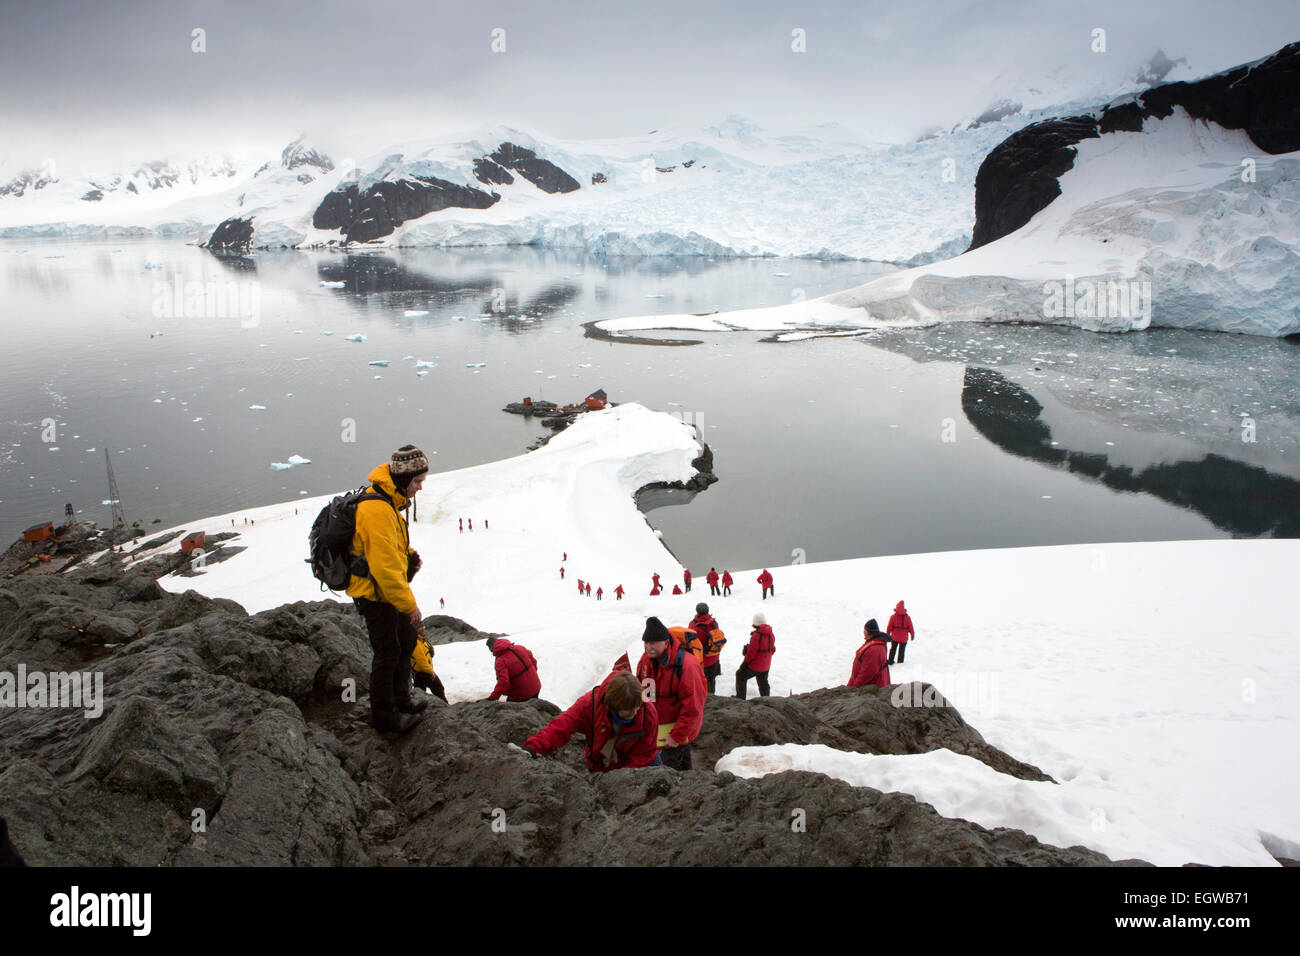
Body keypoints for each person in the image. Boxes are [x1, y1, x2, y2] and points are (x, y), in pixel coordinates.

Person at [348, 444, 431, 733]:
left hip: (385, 592)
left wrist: (407, 553)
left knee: (405, 643)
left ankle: (402, 700)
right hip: (374, 595)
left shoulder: (388, 500)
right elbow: (384, 570)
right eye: (417, 481)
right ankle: (386, 718)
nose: (420, 488)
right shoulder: (377, 509)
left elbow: (390, 548)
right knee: (388, 652)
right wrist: (410, 607)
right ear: (403, 478)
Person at [523, 671, 660, 771]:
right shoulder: (590, 705)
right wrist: (534, 747)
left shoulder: (647, 713)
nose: (636, 713)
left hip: (641, 765)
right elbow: (561, 726)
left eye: (637, 707)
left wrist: (623, 778)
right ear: (612, 706)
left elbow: (644, 753)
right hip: (600, 765)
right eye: (629, 712)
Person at [636, 616, 706, 770]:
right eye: (646, 643)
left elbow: (693, 706)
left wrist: (676, 736)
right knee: (683, 765)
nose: (648, 647)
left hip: (678, 730)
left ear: (666, 642)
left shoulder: (688, 665)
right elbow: (646, 694)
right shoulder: (646, 661)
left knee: (668, 771)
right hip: (659, 729)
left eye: (653, 643)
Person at [486, 637, 541, 701]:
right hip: (536, 686)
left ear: (491, 648)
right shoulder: (520, 647)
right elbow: (534, 662)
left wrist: (492, 698)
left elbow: (503, 683)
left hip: (521, 695)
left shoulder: (500, 660)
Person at [736, 612, 775, 699]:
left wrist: (744, 664)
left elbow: (751, 654)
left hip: (756, 666)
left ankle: (740, 698)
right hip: (766, 665)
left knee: (740, 675)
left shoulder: (756, 636)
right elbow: (772, 649)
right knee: (763, 681)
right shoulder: (770, 634)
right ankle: (766, 699)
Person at [690, 602, 725, 694]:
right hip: (715, 655)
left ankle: (706, 699)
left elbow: (693, 643)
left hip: (704, 660)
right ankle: (712, 695)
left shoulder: (695, 626)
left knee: (703, 681)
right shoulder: (714, 622)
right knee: (711, 680)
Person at [848, 619, 891, 688]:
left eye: (864, 630)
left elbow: (867, 673)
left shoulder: (874, 650)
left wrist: (854, 687)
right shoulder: (874, 642)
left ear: (868, 632)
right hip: (867, 684)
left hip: (870, 687)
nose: (863, 632)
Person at [411, 630, 447, 701]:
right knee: (439, 689)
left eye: (423, 627)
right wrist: (431, 672)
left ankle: (421, 710)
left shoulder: (422, 640)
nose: (423, 629)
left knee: (419, 694)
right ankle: (445, 705)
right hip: (422, 673)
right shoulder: (417, 643)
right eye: (421, 628)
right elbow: (421, 662)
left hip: (421, 673)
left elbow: (427, 654)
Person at [887, 600, 915, 665]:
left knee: (893, 649)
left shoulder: (893, 617)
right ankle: (900, 662)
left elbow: (889, 627)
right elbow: (910, 627)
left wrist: (887, 634)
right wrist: (912, 634)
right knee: (902, 651)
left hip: (895, 637)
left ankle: (890, 661)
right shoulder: (907, 617)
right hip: (903, 638)